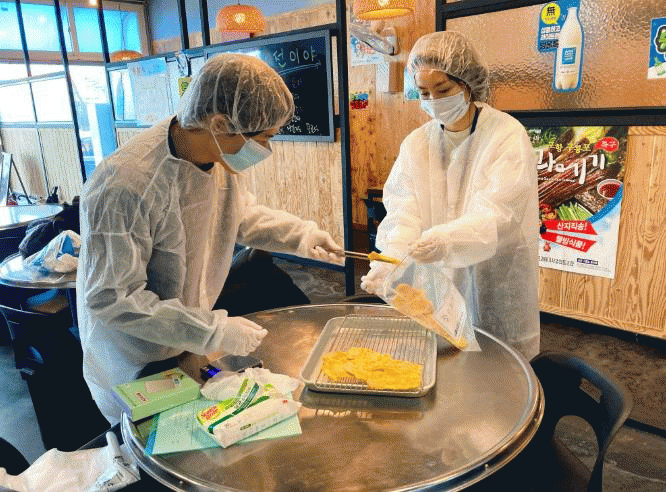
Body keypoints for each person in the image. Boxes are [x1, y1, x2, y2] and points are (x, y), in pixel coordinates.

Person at [77, 54, 344, 423]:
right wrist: (212, 330)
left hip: (185, 337)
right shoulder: (124, 184)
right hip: (133, 354)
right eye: (263, 138)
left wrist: (302, 235)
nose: (266, 149)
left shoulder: (219, 158)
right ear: (220, 123)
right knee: (156, 439)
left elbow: (238, 215)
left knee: (202, 425)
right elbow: (113, 298)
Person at [360, 31, 540, 360]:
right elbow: (404, 211)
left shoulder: (505, 135)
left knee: (498, 367)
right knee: (444, 361)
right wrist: (391, 262)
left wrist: (446, 240)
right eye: (424, 93)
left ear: (468, 85)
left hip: (494, 274)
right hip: (437, 280)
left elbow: (499, 212)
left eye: (442, 90)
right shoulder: (417, 143)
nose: (433, 101)